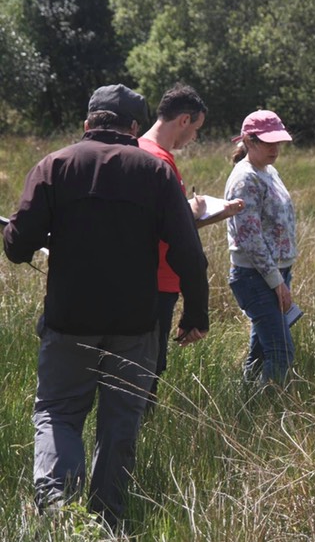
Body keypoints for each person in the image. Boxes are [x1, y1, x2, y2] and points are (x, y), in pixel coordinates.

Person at [2, 84, 210, 529]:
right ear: (135, 128)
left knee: (58, 413)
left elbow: (18, 248)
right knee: (120, 426)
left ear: (87, 123)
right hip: (135, 324)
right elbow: (188, 253)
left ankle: (59, 511)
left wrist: (23, 233)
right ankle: (108, 523)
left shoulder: (53, 166)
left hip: (68, 321)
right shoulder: (155, 173)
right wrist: (196, 313)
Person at [138, 83, 243, 405]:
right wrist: (193, 212)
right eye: (196, 128)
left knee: (146, 365)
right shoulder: (158, 159)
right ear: (184, 120)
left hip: (147, 277)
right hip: (156, 280)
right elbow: (161, 228)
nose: (194, 137)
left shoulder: (139, 149)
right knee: (148, 369)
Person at [225, 110, 297, 384]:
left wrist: (281, 276)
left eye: (278, 142)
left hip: (273, 274)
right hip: (256, 277)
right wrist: (276, 281)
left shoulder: (268, 170)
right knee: (281, 352)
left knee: (260, 352)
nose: (275, 148)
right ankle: (268, 411)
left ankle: (247, 406)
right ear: (248, 141)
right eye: (268, 142)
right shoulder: (245, 179)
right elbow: (250, 238)